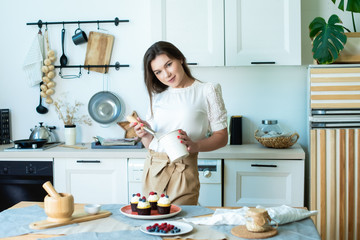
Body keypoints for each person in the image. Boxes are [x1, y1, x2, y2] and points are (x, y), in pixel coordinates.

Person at [132, 41, 228, 205]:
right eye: (158, 72)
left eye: (169, 64)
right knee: (153, 224)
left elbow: (222, 136)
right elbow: (151, 144)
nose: (166, 74)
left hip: (184, 170)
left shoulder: (207, 90)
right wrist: (145, 134)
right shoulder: (157, 95)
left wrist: (196, 146)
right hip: (154, 169)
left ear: (180, 59)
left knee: (183, 223)